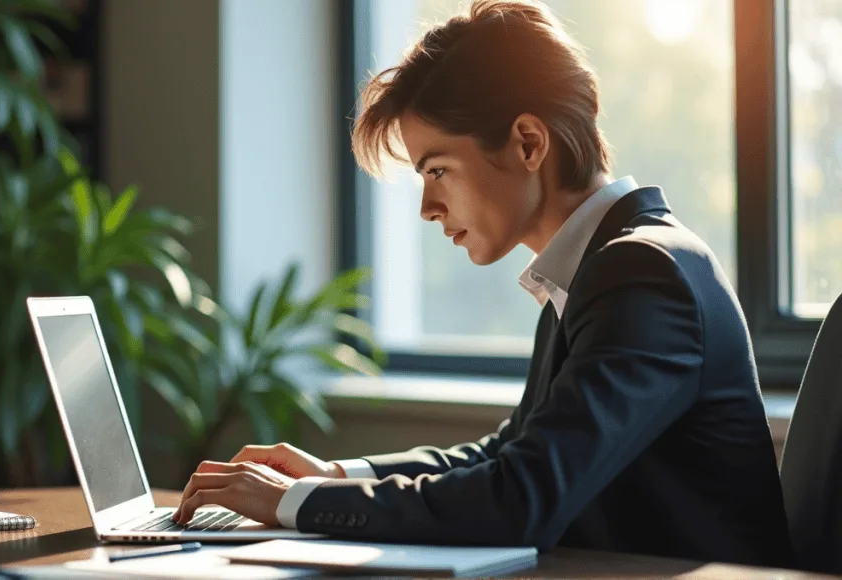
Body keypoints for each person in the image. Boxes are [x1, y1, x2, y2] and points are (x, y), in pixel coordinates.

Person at [173, 0, 793, 567]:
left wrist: (295, 504)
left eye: (438, 170)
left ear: (528, 141)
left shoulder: (644, 274)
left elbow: (520, 496)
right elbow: (510, 452)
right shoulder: (598, 267)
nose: (427, 208)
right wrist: (335, 476)